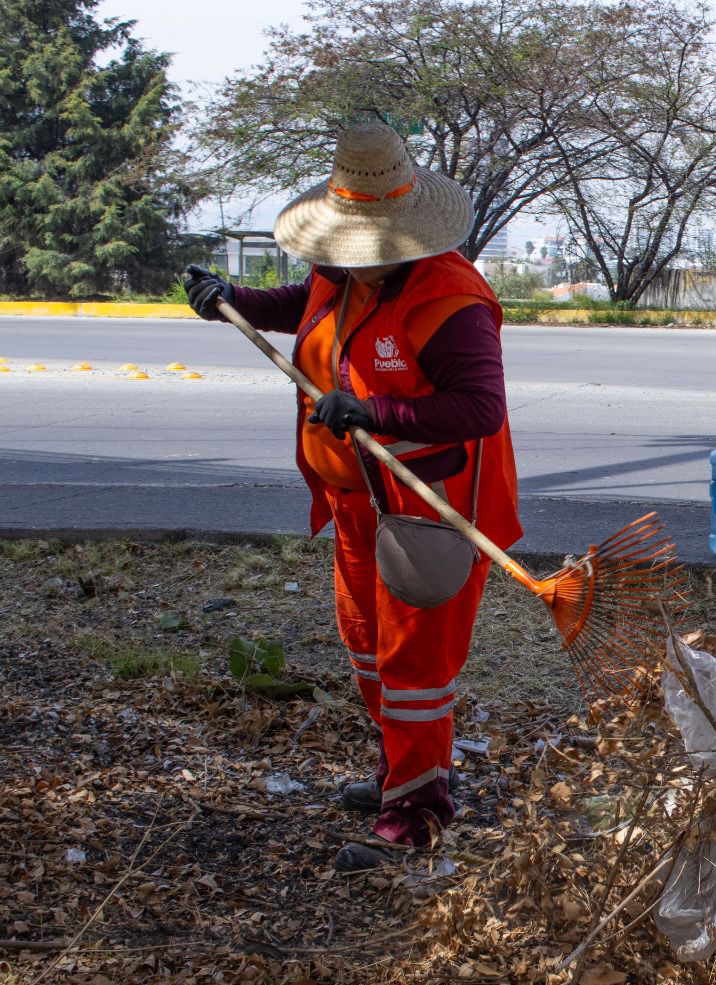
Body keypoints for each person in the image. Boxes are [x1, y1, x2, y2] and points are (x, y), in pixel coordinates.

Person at [183, 124, 521, 872]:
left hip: (426, 507)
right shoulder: (344, 274)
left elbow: (478, 409)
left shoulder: (450, 303)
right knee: (368, 646)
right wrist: (231, 300)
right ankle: (402, 773)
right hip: (356, 498)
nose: (347, 265)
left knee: (413, 663)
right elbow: (306, 303)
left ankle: (421, 809)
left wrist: (376, 413)